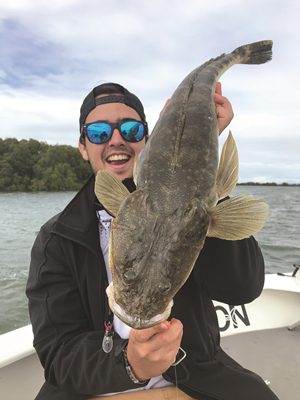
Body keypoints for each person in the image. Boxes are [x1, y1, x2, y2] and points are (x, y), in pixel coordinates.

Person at [26, 82, 279, 400]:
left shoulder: (191, 205)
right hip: (97, 386)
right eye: (100, 132)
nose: (116, 140)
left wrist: (203, 169)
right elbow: (59, 355)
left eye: (131, 129)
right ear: (82, 146)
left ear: (147, 140)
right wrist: (129, 363)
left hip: (194, 375)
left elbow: (242, 288)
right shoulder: (57, 239)